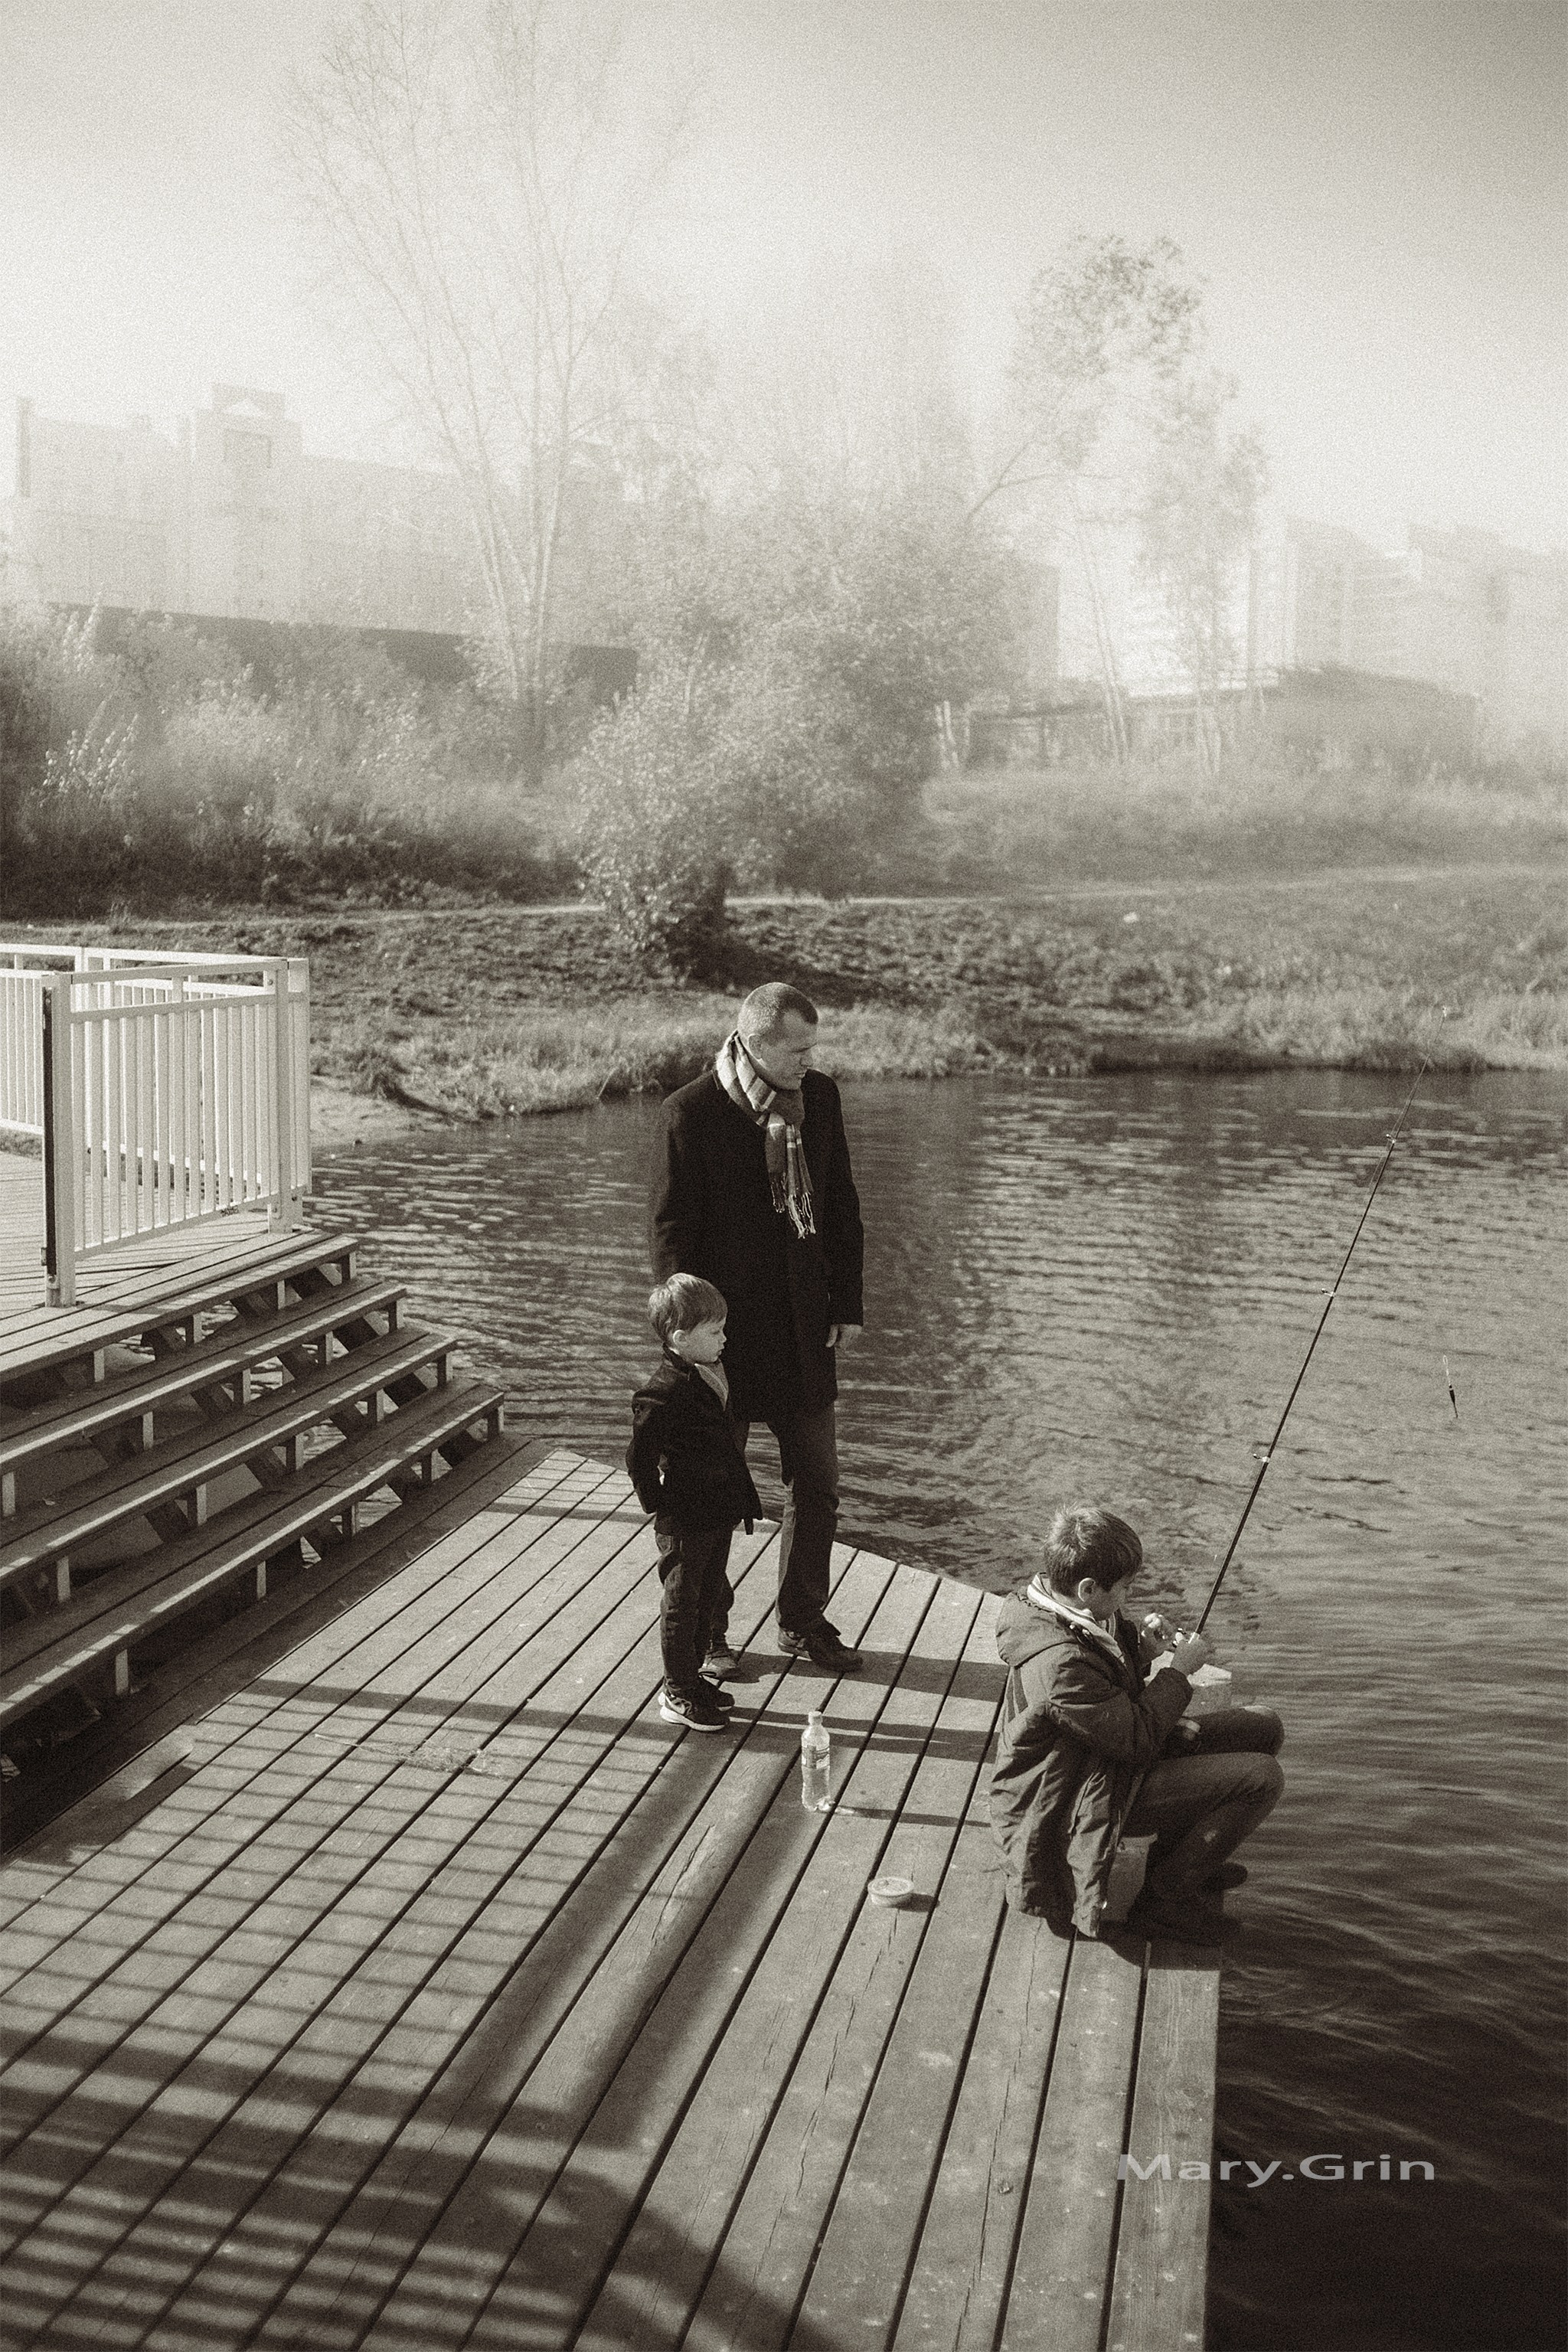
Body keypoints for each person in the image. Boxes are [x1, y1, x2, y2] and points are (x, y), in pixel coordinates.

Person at [648, 982, 865, 1672]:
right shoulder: (690, 1113)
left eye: (813, 1049)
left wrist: (846, 1305)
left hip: (805, 1333)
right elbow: (670, 1238)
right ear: (756, 1042)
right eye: (798, 1049)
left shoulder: (821, 1099)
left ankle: (802, 1622)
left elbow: (841, 1207)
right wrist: (686, 1343)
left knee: (819, 1482)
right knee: (709, 1495)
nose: (810, 1061)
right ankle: (709, 1632)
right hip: (723, 1344)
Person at [988, 1505, 1284, 1945]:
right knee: (1262, 1778)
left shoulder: (1061, 1606)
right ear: (1088, 1588)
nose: (1128, 1599)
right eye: (1125, 1588)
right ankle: (1166, 1897)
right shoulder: (1058, 1664)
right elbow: (1137, 1739)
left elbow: (1106, 1679)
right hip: (1075, 1797)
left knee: (1263, 1726)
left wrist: (1142, 1649)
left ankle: (1178, 1860)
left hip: (1099, 1758)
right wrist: (1178, 1672)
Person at [627, 1273, 763, 1734]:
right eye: (715, 1332)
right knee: (682, 1602)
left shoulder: (710, 1372)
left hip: (718, 1509)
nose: (725, 1339)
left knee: (706, 1597)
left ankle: (694, 1679)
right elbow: (639, 1457)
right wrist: (660, 1503)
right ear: (680, 1339)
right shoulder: (663, 1391)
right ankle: (677, 1691)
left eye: (723, 1329)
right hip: (685, 1515)